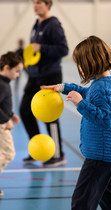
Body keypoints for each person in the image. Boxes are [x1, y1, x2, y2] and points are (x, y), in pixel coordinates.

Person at [41, 36, 111, 210]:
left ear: (91, 62)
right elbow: (87, 93)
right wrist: (63, 87)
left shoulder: (103, 87)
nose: (79, 68)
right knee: (110, 203)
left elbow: (106, 120)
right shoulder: (104, 82)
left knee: (81, 203)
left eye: (80, 63)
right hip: (108, 154)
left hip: (99, 156)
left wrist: (80, 104)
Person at [19, 0, 68, 167]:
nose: (35, 5)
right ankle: (38, 150)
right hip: (34, 76)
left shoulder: (53, 25)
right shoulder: (36, 24)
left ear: (48, 4)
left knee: (50, 117)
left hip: (50, 76)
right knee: (25, 110)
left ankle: (58, 155)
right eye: (33, 2)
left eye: (39, 2)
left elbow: (63, 49)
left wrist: (43, 48)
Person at [0, 52, 23, 195]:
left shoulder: (4, 83)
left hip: (3, 121)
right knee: (9, 154)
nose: (18, 75)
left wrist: (11, 114)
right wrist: (6, 120)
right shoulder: (2, 85)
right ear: (7, 67)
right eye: (17, 71)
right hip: (1, 125)